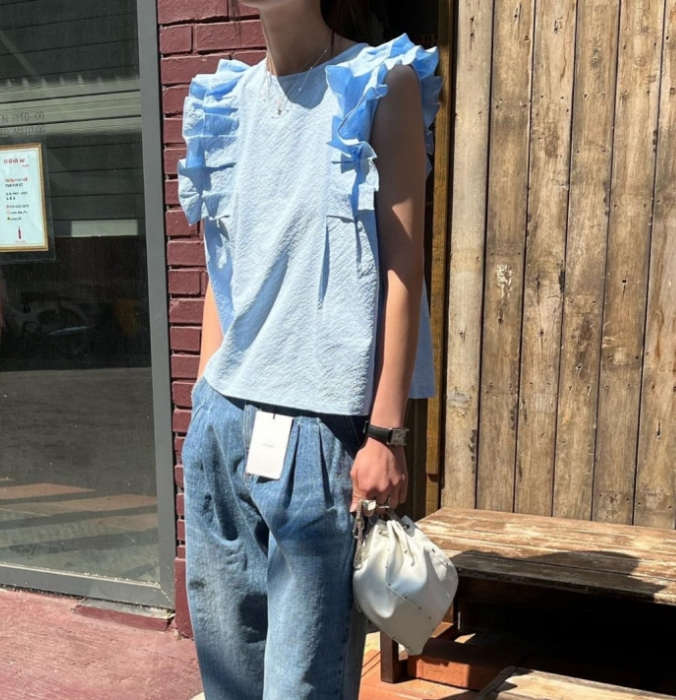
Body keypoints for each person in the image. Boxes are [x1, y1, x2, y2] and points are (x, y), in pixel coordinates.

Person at [177, 1, 442, 697]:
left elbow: (403, 272)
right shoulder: (225, 100)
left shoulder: (378, 82)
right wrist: (205, 401)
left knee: (304, 685)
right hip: (222, 422)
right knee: (227, 681)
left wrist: (386, 433)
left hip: (319, 435)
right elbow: (222, 266)